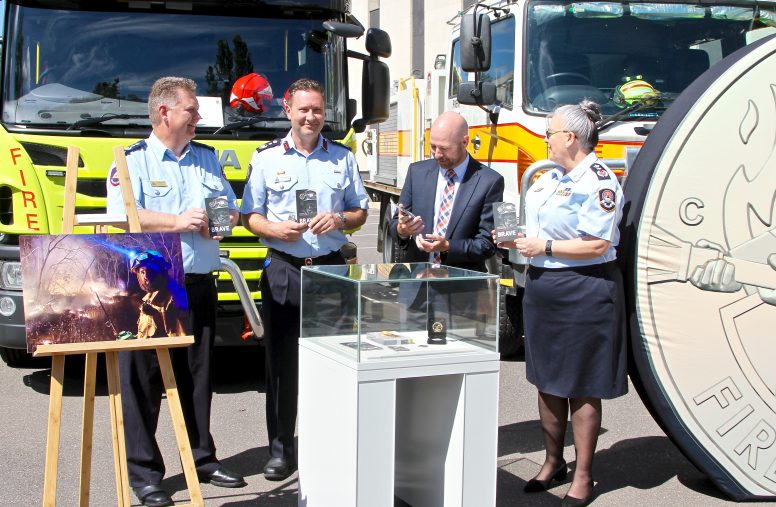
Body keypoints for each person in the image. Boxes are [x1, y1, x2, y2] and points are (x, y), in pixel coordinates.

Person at [107, 76, 244, 507]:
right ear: (165, 112)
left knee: (198, 380)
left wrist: (218, 223)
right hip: (152, 290)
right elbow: (120, 216)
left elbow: (230, 212)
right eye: (192, 110)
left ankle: (202, 458)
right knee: (143, 383)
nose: (198, 118)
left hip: (200, 283)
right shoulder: (132, 160)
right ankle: (145, 475)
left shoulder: (206, 159)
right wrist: (175, 222)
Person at [495, 100, 626, 507]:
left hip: (584, 289)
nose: (545, 138)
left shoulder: (599, 180)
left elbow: (598, 243)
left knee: (582, 386)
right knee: (547, 380)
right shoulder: (549, 178)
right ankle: (553, 463)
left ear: (570, 137)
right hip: (543, 289)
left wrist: (546, 245)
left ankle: (583, 474)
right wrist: (514, 238)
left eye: (549, 132)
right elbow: (534, 229)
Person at [240, 78, 369, 481]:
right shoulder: (265, 158)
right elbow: (250, 215)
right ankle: (280, 448)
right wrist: (274, 231)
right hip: (283, 268)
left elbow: (361, 211)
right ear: (287, 110)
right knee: (280, 365)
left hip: (329, 269)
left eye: (317, 109)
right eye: (304, 109)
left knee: (333, 362)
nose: (311, 116)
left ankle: (326, 443)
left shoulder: (342, 158)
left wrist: (340, 219)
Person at [391, 111, 504, 273]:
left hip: (460, 288)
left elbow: (487, 245)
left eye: (444, 148)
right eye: (433, 147)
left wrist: (448, 247)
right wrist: (402, 230)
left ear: (464, 142)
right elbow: (396, 226)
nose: (437, 154)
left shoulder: (489, 182)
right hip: (417, 284)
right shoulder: (417, 172)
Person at [130, 250, 187, 339]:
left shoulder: (174, 299)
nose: (146, 276)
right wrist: (132, 339)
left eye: (150, 271)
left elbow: (182, 340)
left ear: (160, 272)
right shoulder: (149, 299)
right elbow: (147, 333)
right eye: (142, 272)